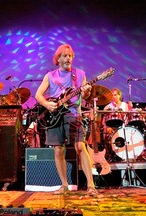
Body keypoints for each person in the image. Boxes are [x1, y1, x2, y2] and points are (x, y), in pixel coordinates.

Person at [35, 44, 97, 196]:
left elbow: (86, 96)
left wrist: (87, 92)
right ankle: (64, 185)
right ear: (58, 59)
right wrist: (46, 104)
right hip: (55, 116)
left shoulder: (80, 74)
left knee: (81, 147)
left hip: (74, 114)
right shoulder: (50, 75)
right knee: (58, 150)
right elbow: (38, 95)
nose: (68, 58)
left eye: (70, 56)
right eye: (64, 55)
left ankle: (91, 185)